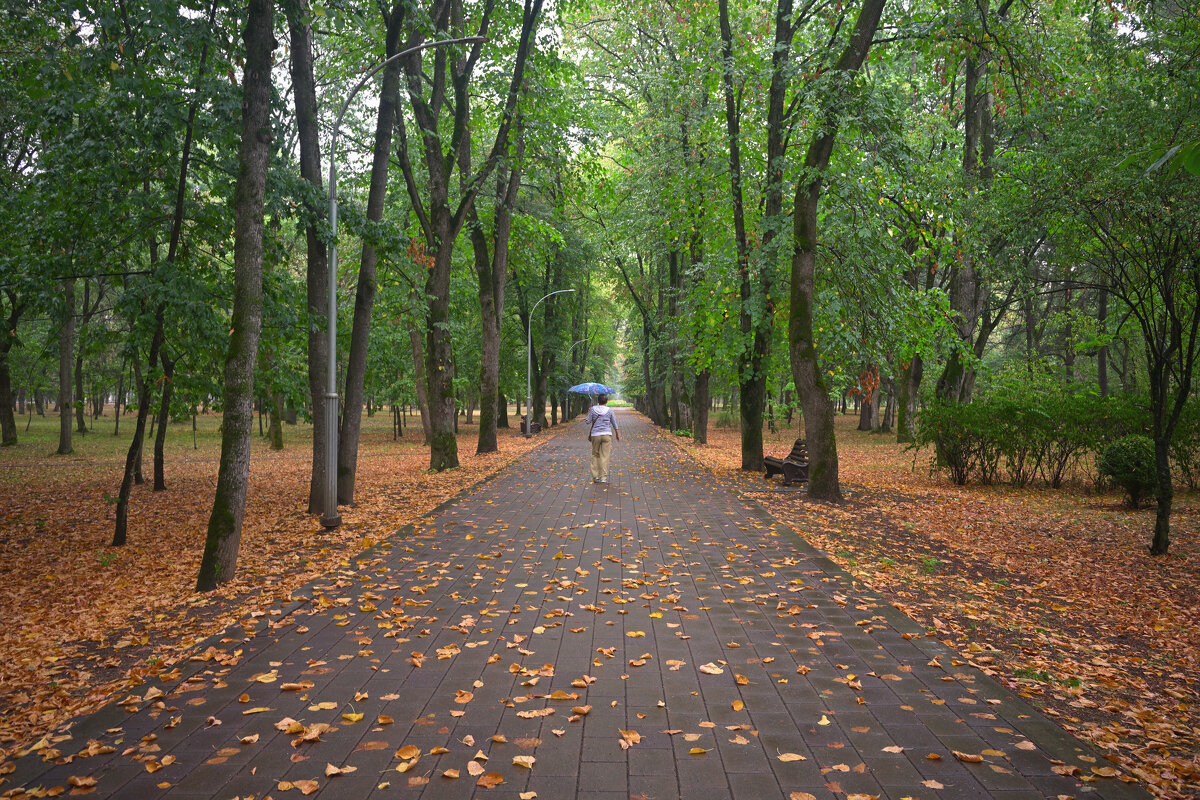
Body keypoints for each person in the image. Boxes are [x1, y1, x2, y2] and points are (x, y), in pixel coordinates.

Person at [584, 394, 619, 484]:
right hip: (607, 435)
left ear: (598, 401)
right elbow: (614, 422)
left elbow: (587, 422)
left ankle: (595, 477)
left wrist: (588, 413)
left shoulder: (593, 409)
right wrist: (617, 434)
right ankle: (603, 477)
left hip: (595, 435)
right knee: (604, 456)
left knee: (595, 455)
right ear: (607, 401)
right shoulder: (609, 410)